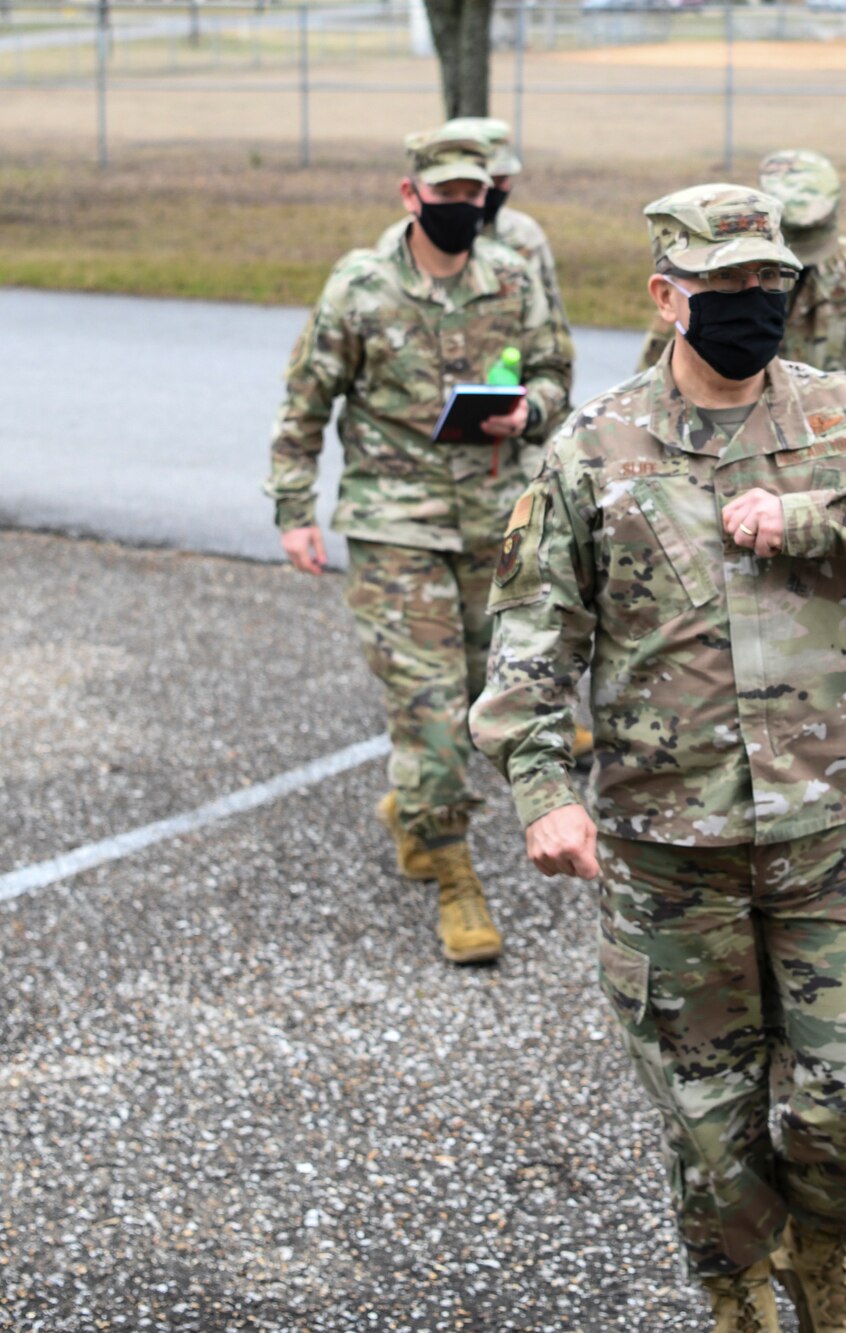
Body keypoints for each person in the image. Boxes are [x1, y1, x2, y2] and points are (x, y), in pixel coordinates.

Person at [470, 184, 846, 1333]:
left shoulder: (842, 417)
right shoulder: (594, 447)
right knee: (710, 1119)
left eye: (769, 285)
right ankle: (735, 1288)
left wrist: (825, 516)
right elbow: (531, 633)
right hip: (672, 848)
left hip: (828, 836)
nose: (752, 306)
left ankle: (818, 1250)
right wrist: (539, 790)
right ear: (668, 297)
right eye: (723, 290)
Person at [267, 128, 572, 965]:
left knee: (480, 702)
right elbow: (305, 401)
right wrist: (295, 508)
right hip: (395, 526)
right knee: (432, 711)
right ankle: (455, 878)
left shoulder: (509, 277)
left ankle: (413, 805)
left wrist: (529, 413)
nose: (462, 211)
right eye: (445, 198)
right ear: (411, 197)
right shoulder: (360, 287)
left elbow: (554, 368)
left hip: (491, 522)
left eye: (474, 197)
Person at [634, 150, 846, 418]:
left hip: (832, 434)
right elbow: (660, 374)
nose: (754, 289)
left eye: (771, 274)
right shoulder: (699, 283)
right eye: (731, 277)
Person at [379, 116, 577, 394]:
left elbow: (553, 348)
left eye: (501, 181)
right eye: (448, 191)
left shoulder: (523, 238)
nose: (496, 190)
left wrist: (531, 409)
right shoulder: (397, 246)